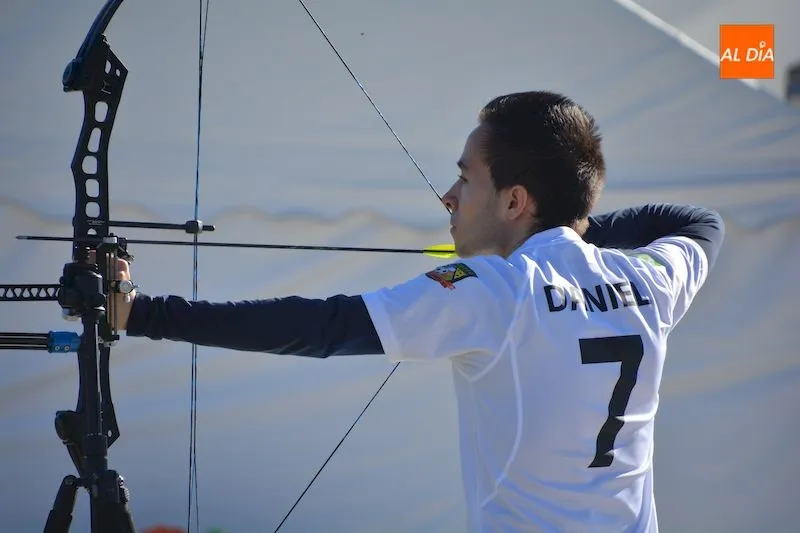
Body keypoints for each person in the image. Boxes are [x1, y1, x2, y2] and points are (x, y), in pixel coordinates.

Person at [111, 91, 724, 532]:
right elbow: (700, 224)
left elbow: (324, 326)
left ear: (515, 200)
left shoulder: (495, 288)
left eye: (466, 180)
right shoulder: (648, 279)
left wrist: (143, 315)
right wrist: (573, 230)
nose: (449, 196)